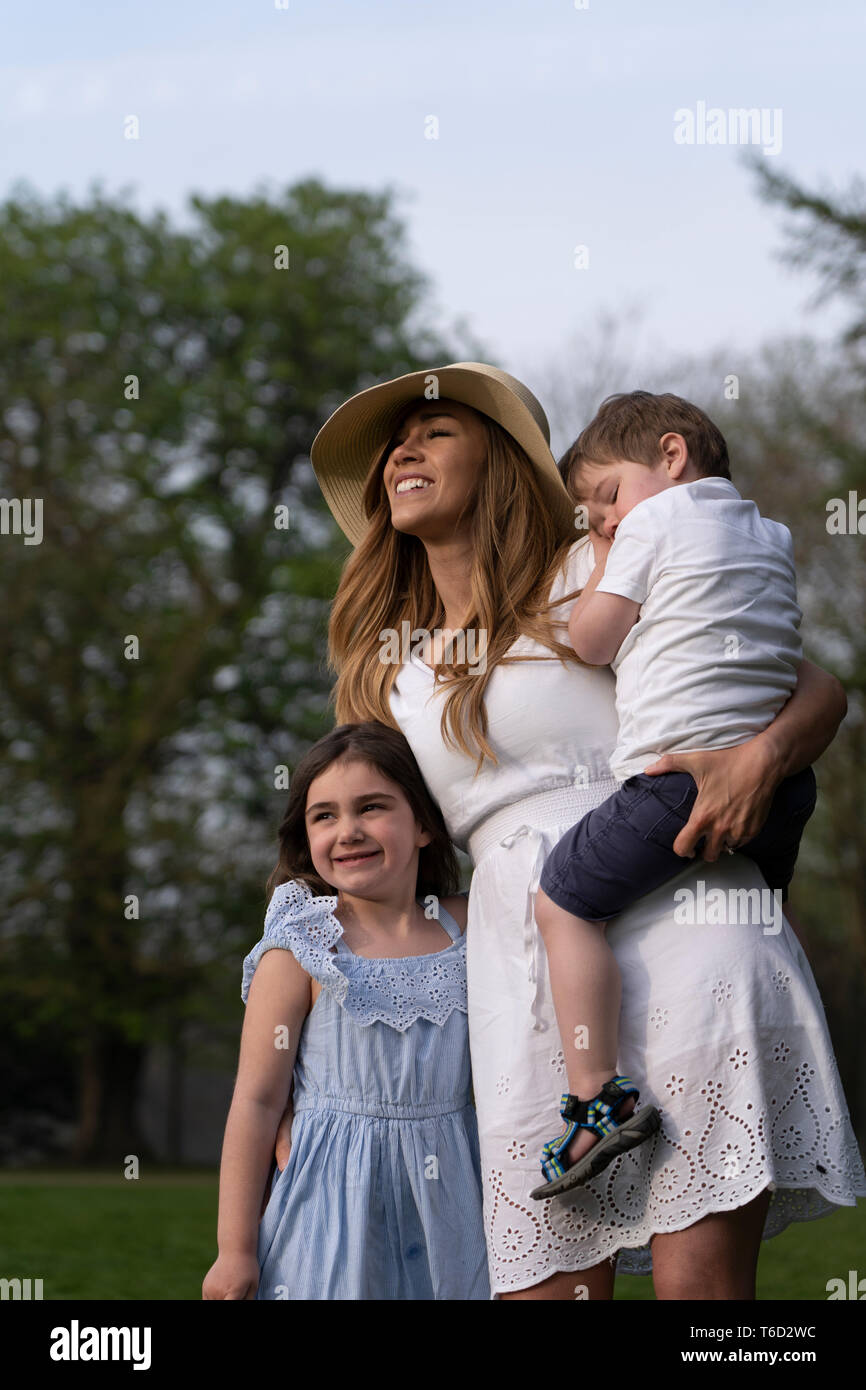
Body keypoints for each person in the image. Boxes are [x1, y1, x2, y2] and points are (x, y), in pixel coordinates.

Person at [298, 360, 865, 1300]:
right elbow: (385, 867)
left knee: (707, 1304)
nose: (405, 447)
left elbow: (809, 686)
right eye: (394, 443)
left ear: (500, 459)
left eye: (435, 430)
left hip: (679, 904)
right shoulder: (388, 673)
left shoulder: (590, 569)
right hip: (521, 962)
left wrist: (760, 762)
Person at [530, 391, 818, 1199]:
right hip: (786, 787)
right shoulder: (771, 533)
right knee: (764, 903)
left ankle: (598, 1096)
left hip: (675, 784)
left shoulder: (653, 526)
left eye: (606, 499)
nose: (604, 525)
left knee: (562, 902)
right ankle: (789, 1041)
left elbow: (592, 640)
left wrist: (579, 590)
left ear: (672, 455)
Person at [202, 721, 489, 1301]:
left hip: (454, 1197)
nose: (348, 831)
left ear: (426, 825)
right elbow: (257, 1101)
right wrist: (233, 1251)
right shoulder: (303, 947)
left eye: (372, 807)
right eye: (324, 816)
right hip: (328, 1204)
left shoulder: (476, 925)